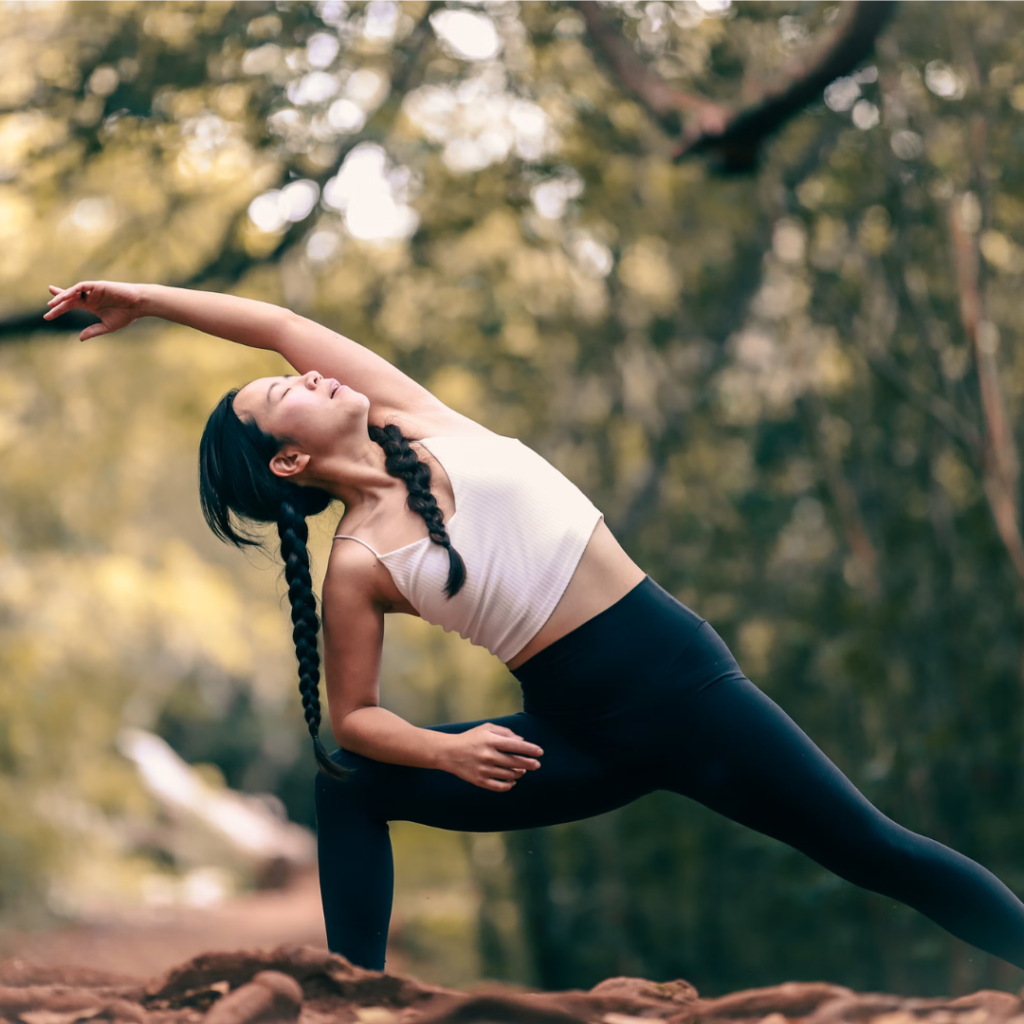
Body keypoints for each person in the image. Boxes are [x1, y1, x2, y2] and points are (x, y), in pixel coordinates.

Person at [44, 279, 1024, 974]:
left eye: (290, 376)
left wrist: (147, 298)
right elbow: (354, 720)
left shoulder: (419, 420)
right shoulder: (358, 564)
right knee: (346, 789)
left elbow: (274, 321)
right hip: (572, 737)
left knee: (875, 851)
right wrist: (445, 750)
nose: (303, 374)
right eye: (284, 396)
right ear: (290, 464)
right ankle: (358, 999)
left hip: (685, 689)